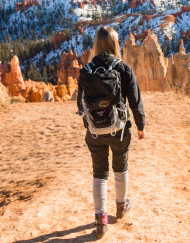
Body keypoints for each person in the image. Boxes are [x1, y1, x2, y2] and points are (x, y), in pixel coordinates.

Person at [77, 26, 145, 239]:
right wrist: (141, 125)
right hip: (119, 130)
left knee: (99, 172)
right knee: (120, 166)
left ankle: (101, 219)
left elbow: (80, 103)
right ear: (116, 44)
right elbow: (135, 102)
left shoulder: (87, 70)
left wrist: (89, 123)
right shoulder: (123, 68)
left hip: (95, 131)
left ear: (97, 43)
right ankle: (121, 206)